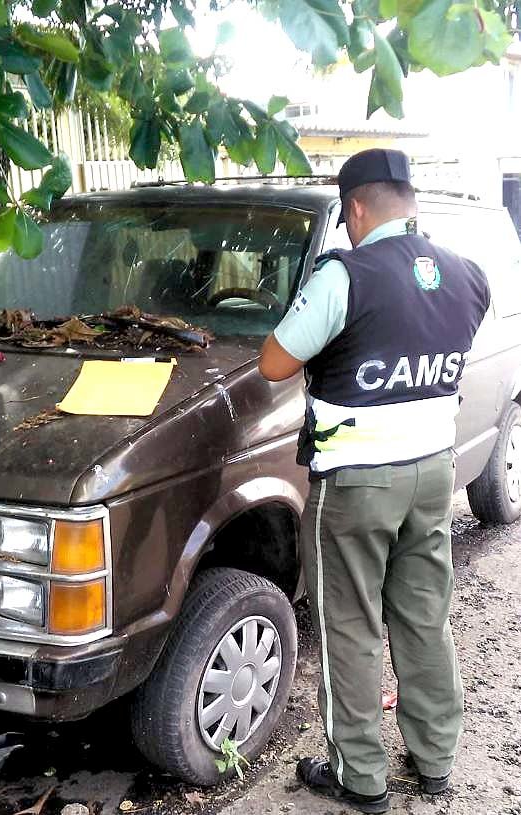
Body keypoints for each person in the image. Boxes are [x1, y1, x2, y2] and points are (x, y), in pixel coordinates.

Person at [258, 149, 491, 814]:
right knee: (423, 616)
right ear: (409, 200)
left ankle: (359, 776)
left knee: (350, 625)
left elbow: (275, 361)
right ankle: (435, 758)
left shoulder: (345, 275)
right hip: (431, 475)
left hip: (357, 481)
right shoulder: (468, 275)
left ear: (354, 207)